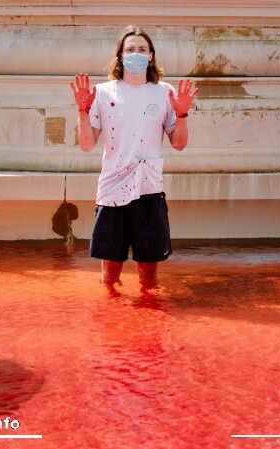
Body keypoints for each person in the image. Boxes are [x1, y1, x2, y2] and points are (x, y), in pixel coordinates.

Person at [70, 25, 198, 292]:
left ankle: (149, 327)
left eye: (142, 49)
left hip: (148, 188)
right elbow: (86, 144)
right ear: (120, 55)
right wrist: (82, 111)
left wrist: (183, 115)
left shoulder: (164, 92)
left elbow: (179, 144)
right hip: (112, 188)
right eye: (130, 50)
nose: (136, 54)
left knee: (149, 279)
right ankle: (111, 325)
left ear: (151, 55)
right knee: (109, 278)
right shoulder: (104, 93)